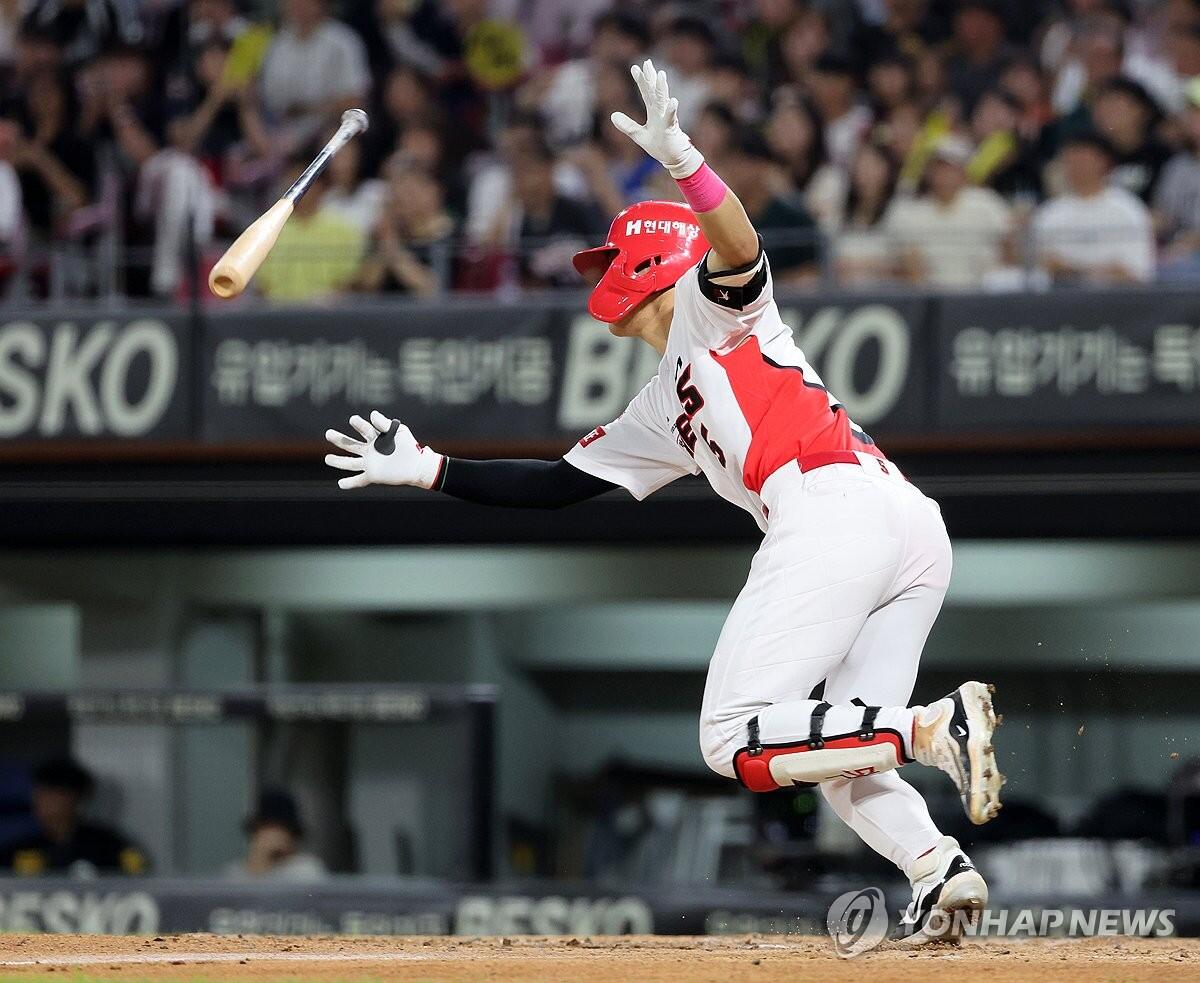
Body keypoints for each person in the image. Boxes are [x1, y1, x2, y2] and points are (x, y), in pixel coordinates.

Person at [325, 59, 1004, 945]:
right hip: (899, 524)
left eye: (611, 258)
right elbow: (561, 485)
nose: (599, 274)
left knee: (732, 736)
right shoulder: (661, 402)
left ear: (650, 258)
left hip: (833, 509)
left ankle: (930, 726)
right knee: (831, 744)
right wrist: (428, 468)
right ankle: (939, 872)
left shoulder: (705, 306)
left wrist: (684, 159)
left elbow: (737, 244)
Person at [884, 133, 1013, 288]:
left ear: (963, 171)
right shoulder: (910, 210)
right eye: (938, 167)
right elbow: (903, 263)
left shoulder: (986, 203)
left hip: (983, 292)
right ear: (927, 171)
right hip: (929, 296)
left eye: (950, 167)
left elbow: (1010, 244)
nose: (944, 174)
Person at [1032, 127, 1155, 284]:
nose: (1075, 165)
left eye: (1082, 157)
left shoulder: (1128, 209)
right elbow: (1040, 267)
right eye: (1069, 158)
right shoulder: (1049, 213)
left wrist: (1072, 270)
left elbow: (1137, 273)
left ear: (1103, 161)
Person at [0, 758, 147, 876]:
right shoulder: (21, 848)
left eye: (51, 795)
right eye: (39, 794)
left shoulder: (108, 846)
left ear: (76, 798)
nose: (41, 802)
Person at [254, 150, 364, 302]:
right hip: (279, 318)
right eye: (291, 182)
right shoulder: (268, 232)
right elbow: (262, 287)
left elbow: (351, 282)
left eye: (302, 182)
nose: (296, 190)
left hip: (328, 318)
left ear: (320, 185)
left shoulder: (343, 230)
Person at [223, 789, 327, 882]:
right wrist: (260, 860)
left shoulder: (306, 869)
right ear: (256, 832)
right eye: (268, 827)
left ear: (292, 835)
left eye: (281, 828)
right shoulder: (234, 872)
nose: (274, 835)